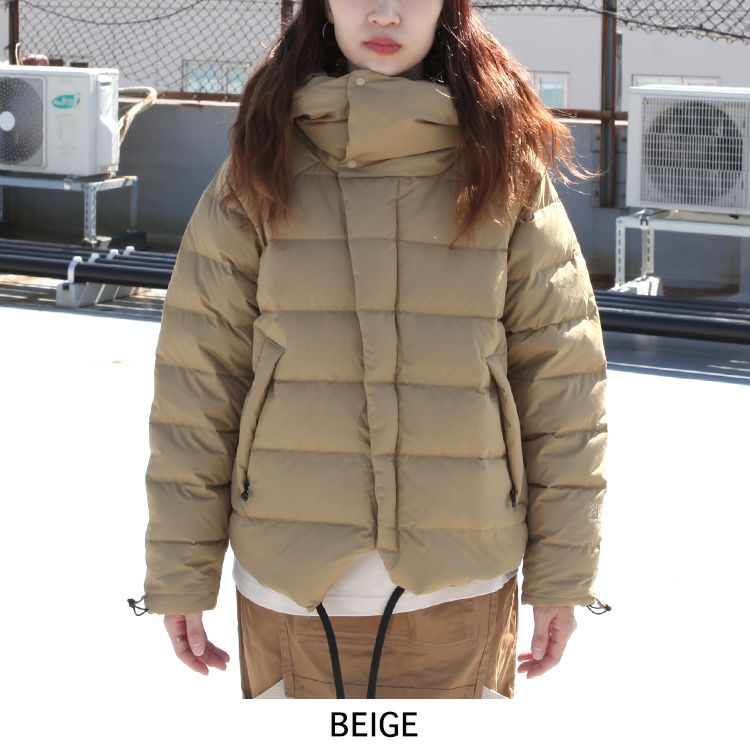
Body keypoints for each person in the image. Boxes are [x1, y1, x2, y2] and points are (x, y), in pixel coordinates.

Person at [128, 0, 612, 699]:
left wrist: (562, 575)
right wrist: (180, 570)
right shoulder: (259, 166)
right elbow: (196, 384)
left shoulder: (506, 170)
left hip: (462, 587)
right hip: (290, 588)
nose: (385, 13)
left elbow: (564, 388)